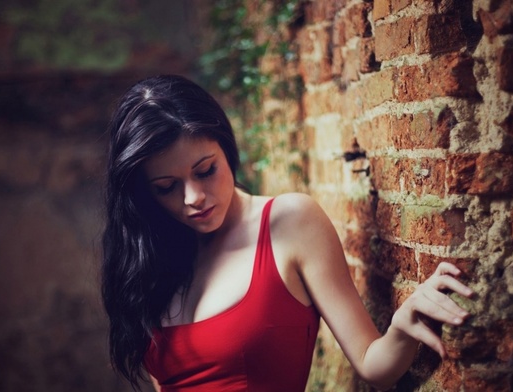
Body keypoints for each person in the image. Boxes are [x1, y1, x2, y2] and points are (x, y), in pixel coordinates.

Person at [101, 75, 473, 391]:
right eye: (167, 187)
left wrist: (402, 327)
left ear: (226, 149)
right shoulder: (151, 257)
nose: (193, 198)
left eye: (205, 171)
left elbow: (372, 364)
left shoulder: (289, 222)